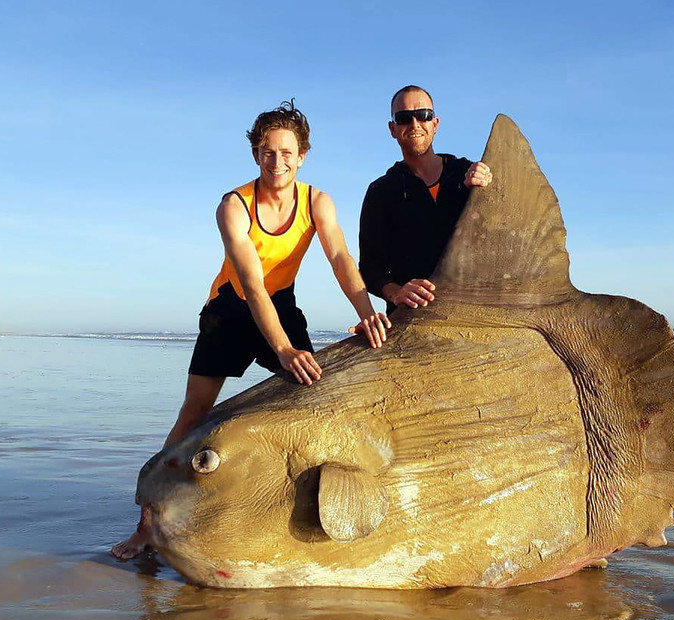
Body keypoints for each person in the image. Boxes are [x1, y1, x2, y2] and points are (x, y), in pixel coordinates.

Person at [112, 100, 389, 560]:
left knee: (310, 395)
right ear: (256, 155)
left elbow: (340, 260)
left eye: (286, 153)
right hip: (231, 309)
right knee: (194, 413)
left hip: (281, 303)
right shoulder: (234, 206)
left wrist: (367, 310)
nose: (276, 162)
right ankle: (147, 523)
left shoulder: (317, 201)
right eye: (266, 152)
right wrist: (281, 349)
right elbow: (253, 284)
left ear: (302, 156)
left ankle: (288, 510)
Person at [358, 85, 493, 312]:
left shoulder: (467, 174)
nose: (414, 125)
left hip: (473, 310)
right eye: (403, 118)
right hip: (414, 316)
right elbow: (371, 268)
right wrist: (397, 292)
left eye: (423, 116)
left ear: (435, 124)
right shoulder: (381, 191)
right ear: (392, 129)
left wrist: (486, 188)